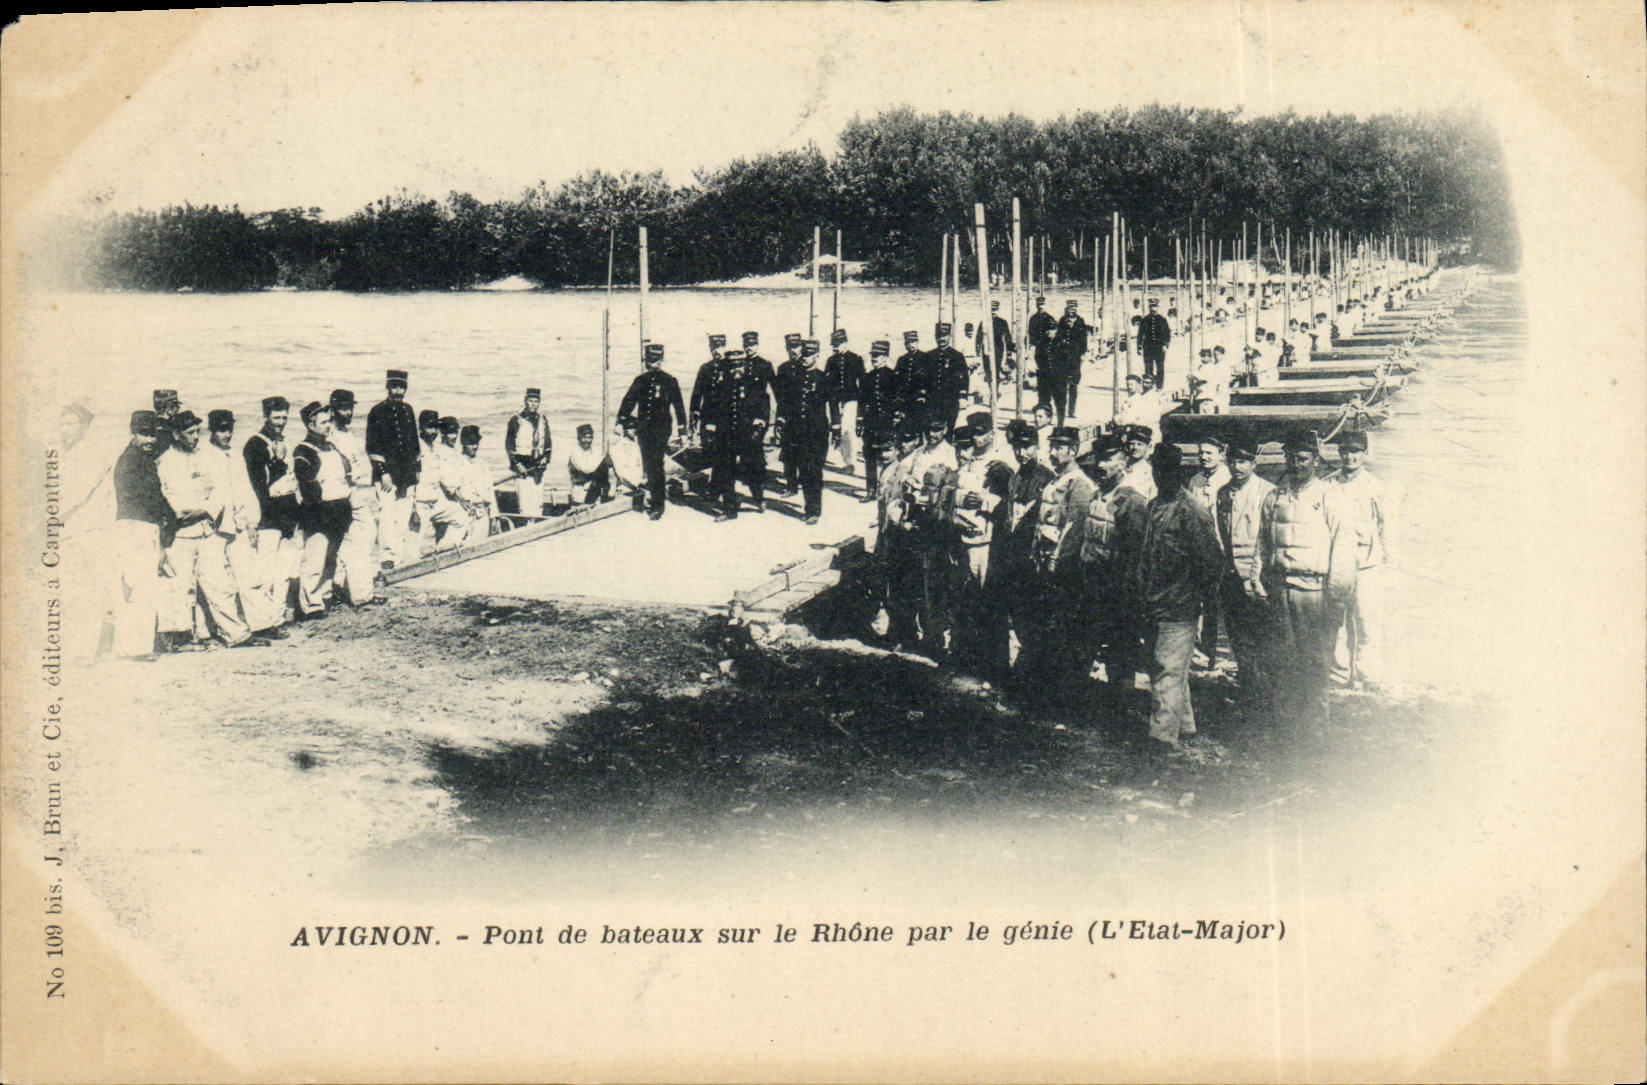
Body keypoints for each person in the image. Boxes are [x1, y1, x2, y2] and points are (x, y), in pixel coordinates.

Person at [1258, 431, 1357, 722]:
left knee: (1315, 659)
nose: (1296, 464)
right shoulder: (1274, 496)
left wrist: (1336, 597)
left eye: (1302, 458)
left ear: (1315, 461)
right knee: (1282, 657)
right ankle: (1285, 721)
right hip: (1280, 587)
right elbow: (1262, 542)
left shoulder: (1330, 496)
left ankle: (1316, 725)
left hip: (1314, 591)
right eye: (1290, 458)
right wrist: (1258, 580)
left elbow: (1343, 548)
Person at [1136, 443, 1223, 749]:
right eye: (1158, 471)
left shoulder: (1192, 511)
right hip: (1154, 602)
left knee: (1168, 671)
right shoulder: (1155, 506)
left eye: (1169, 471)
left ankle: (1161, 737)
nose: (1163, 477)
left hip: (1179, 605)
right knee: (1168, 668)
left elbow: (1212, 563)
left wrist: (1193, 597)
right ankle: (1184, 725)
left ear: (1179, 473)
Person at [156, 409, 264, 650]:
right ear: (176, 434)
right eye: (190, 433)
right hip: (180, 535)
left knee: (218, 583)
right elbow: (167, 498)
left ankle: (235, 634)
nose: (195, 437)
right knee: (181, 585)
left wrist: (204, 509)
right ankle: (179, 637)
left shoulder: (204, 457)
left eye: (197, 432)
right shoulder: (165, 462)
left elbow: (218, 491)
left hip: (205, 530)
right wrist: (187, 511)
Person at [1016, 426, 1097, 704]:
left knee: (1061, 631)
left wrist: (1056, 564)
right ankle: (1040, 690)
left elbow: (1073, 531)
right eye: (1051, 446)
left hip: (1062, 572)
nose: (1051, 452)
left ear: (1072, 451)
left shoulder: (1079, 484)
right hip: (1043, 568)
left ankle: (1061, 695)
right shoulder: (1055, 481)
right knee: (1042, 629)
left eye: (1058, 447)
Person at [1076, 433, 1150, 715]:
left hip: (1117, 589)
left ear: (1123, 461)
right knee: (1088, 642)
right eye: (1099, 459)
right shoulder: (1099, 494)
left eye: (1109, 459)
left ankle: (1122, 708)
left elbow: (1135, 556)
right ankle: (1088, 704)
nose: (1101, 465)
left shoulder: (1132, 501)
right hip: (1092, 582)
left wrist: (1128, 595)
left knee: (1120, 649)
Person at [201, 409, 284, 636]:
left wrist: (251, 523)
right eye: (221, 430)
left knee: (250, 575)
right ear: (211, 430)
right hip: (215, 528)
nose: (226, 435)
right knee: (219, 582)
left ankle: (262, 625)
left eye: (229, 429)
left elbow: (245, 490)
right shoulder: (203, 454)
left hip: (238, 523)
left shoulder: (235, 455)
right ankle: (229, 631)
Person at [993, 418, 1055, 691]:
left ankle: (1032, 678)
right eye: (1017, 447)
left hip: (1033, 561)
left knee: (1033, 621)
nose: (1022, 453)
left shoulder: (1047, 479)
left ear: (1037, 446)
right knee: (1017, 618)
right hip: (1012, 559)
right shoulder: (1015, 478)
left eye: (1027, 447)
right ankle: (1020, 676)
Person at [1329, 430, 1395, 688]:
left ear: (1365, 454)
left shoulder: (1377, 488)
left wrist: (1386, 559)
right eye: (1344, 451)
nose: (1349, 457)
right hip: (1336, 563)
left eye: (1355, 451)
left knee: (1367, 620)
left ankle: (1368, 674)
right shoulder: (1329, 484)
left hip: (1367, 563)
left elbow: (1387, 526)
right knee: (1337, 621)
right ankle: (1339, 673)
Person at [948, 423, 1014, 681]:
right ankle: (968, 659)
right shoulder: (967, 465)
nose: (975, 440)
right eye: (971, 437)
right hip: (965, 539)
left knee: (990, 602)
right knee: (967, 601)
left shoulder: (999, 465)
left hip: (985, 542)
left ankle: (996, 666)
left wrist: (984, 501)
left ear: (990, 435)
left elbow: (1005, 503)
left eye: (980, 433)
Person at [1215, 437, 1277, 709]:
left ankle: (1266, 691)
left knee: (1262, 635)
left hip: (1258, 576)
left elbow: (1268, 539)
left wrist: (1258, 577)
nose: (1236, 466)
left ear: (1254, 462)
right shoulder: (1223, 492)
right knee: (1238, 635)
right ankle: (1249, 685)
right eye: (1233, 461)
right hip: (1231, 575)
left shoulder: (1268, 492)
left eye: (1243, 461)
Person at [111, 411, 173, 660]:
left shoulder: (140, 457)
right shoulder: (131, 462)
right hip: (134, 527)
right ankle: (135, 648)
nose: (151, 440)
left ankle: (134, 645)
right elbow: (148, 500)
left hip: (141, 526)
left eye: (153, 435)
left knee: (139, 586)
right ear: (133, 433)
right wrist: (167, 519)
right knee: (139, 586)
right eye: (145, 434)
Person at [900, 411, 960, 655]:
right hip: (917, 516)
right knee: (915, 576)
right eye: (929, 430)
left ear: (945, 428)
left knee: (934, 579)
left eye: (936, 429)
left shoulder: (949, 453)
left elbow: (947, 490)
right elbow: (906, 472)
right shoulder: (920, 452)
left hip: (936, 523)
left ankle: (935, 636)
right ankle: (919, 633)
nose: (932, 434)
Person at [242, 395, 302, 625]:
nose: (281, 421)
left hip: (286, 515)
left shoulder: (280, 441)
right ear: (265, 416)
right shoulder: (256, 445)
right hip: (269, 517)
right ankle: (266, 619)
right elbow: (258, 487)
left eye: (284, 417)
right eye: (276, 417)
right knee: (266, 571)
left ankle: (278, 617)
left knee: (283, 571)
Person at [292, 401, 354, 616]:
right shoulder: (304, 450)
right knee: (314, 559)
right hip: (319, 513)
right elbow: (308, 486)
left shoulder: (331, 446)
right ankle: (310, 604)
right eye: (324, 422)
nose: (329, 426)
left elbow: (347, 471)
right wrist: (323, 509)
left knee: (331, 557)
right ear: (311, 425)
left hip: (339, 510)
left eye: (329, 421)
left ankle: (325, 596)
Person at [616, 343, 687, 520]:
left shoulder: (669, 380)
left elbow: (679, 407)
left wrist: (682, 430)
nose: (653, 363)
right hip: (644, 430)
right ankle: (656, 497)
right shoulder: (640, 380)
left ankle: (658, 504)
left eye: (656, 360)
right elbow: (628, 402)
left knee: (656, 464)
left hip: (661, 430)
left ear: (662, 360)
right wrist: (621, 421)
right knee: (648, 465)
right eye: (650, 360)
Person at [327, 388, 381, 607]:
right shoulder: (330, 433)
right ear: (333, 409)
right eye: (343, 408)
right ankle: (359, 594)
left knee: (364, 537)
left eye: (350, 408)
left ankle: (345, 587)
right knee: (356, 539)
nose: (348, 412)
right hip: (341, 494)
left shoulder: (347, 433)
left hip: (356, 491)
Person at [874, 423, 924, 648]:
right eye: (880, 450)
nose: (884, 454)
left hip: (898, 537)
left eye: (888, 449)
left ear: (896, 450)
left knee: (900, 587)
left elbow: (905, 505)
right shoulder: (885, 470)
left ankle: (905, 635)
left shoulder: (903, 472)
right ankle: (897, 632)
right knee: (888, 586)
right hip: (885, 533)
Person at [365, 369, 420, 569]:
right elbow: (371, 447)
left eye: (401, 387)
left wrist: (417, 470)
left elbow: (414, 443)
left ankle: (400, 557)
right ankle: (386, 558)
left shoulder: (408, 410)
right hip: (386, 476)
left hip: (406, 474)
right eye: (394, 387)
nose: (398, 391)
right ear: (387, 387)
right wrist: (383, 472)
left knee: (403, 516)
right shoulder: (377, 411)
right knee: (387, 516)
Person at [777, 339, 833, 524]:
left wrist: (837, 427)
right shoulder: (794, 376)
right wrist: (781, 419)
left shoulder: (823, 378)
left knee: (813, 472)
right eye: (804, 355)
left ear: (817, 356)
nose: (805, 359)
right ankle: (808, 507)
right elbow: (784, 400)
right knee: (802, 469)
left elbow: (832, 405)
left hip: (816, 433)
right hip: (797, 432)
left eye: (809, 355)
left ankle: (813, 511)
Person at [412, 409, 464, 551]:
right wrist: (412, 507)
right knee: (413, 543)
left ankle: (442, 551)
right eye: (429, 427)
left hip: (434, 502)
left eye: (435, 427)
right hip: (419, 503)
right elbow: (410, 479)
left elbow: (442, 476)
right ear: (420, 427)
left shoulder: (435, 448)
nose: (433, 431)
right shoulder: (415, 447)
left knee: (460, 517)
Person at [857, 340, 899, 501]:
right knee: (869, 457)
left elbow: (897, 399)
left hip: (886, 423)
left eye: (878, 355)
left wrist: (895, 418)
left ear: (886, 357)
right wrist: (860, 421)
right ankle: (871, 490)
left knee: (886, 456)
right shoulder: (867, 377)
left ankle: (886, 489)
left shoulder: (892, 376)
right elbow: (862, 401)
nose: (874, 358)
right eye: (873, 355)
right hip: (870, 423)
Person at [506, 387, 552, 517]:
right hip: (523, 468)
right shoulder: (516, 420)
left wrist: (545, 459)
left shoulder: (543, 420)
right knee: (525, 505)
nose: (533, 404)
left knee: (537, 504)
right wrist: (517, 465)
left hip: (538, 468)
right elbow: (509, 446)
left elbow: (548, 444)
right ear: (525, 401)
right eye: (530, 401)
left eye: (536, 401)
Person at [824, 328, 864, 475]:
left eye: (839, 343)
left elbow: (862, 383)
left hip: (851, 400)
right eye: (834, 343)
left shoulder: (855, 359)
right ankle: (844, 458)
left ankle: (850, 462)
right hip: (835, 400)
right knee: (837, 429)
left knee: (848, 430)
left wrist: (861, 410)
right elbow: (827, 382)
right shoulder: (831, 361)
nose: (835, 346)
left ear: (845, 343)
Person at [452, 425, 499, 544]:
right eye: (471, 443)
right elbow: (454, 490)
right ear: (463, 443)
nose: (475, 447)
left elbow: (490, 491)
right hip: (466, 514)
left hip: (483, 513)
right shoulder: (457, 463)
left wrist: (494, 516)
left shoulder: (482, 464)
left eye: (476, 443)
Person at [1046, 300, 1090, 425]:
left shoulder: (1080, 321)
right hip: (1063, 357)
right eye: (1069, 309)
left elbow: (1083, 338)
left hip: (1075, 357)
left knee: (1074, 383)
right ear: (1066, 309)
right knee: (1062, 384)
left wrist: (1083, 353)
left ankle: (1071, 410)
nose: (1071, 311)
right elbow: (1057, 337)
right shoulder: (1062, 320)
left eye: (1073, 308)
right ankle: (1062, 408)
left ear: (1076, 309)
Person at [774, 333, 807, 494]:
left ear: (801, 347)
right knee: (788, 453)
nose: (792, 350)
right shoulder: (783, 369)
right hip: (788, 417)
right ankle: (791, 486)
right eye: (789, 347)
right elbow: (780, 397)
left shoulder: (807, 367)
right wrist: (779, 417)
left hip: (804, 418)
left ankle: (804, 482)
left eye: (796, 346)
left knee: (804, 452)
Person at [927, 323, 971, 430]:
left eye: (944, 336)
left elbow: (964, 377)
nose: (941, 339)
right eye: (939, 336)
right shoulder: (929, 355)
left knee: (950, 427)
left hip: (950, 400)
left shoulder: (957, 356)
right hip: (933, 400)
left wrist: (963, 396)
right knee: (935, 428)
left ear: (949, 337)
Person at [690, 334, 728, 441]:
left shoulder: (730, 366)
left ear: (724, 347)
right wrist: (694, 415)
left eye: (719, 347)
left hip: (726, 418)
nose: (715, 351)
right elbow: (696, 395)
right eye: (713, 347)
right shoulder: (705, 368)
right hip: (708, 417)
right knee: (708, 450)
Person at [567, 423, 612, 505]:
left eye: (590, 437)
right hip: (580, 492)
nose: (587, 440)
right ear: (579, 438)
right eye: (584, 437)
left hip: (594, 492)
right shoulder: (575, 453)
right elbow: (587, 469)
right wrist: (603, 459)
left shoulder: (595, 452)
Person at [975, 300, 1015, 385]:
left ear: (998, 310)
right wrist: (978, 349)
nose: (993, 312)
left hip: (998, 348)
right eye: (991, 310)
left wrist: (1009, 350)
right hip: (986, 349)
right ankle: (990, 384)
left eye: (995, 309)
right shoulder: (984, 322)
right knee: (988, 369)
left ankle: (996, 384)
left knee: (996, 367)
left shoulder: (1002, 322)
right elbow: (979, 336)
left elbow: (1007, 336)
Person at [894, 330, 928, 422]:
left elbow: (930, 378)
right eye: (908, 343)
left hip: (920, 398)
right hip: (905, 398)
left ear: (917, 342)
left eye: (913, 342)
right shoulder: (902, 359)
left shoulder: (925, 357)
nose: (910, 345)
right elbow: (896, 380)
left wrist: (925, 394)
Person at [1137, 297, 1172, 387]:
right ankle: (1149, 385)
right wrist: (1139, 347)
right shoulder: (1145, 320)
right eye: (1152, 306)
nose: (1153, 308)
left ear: (1157, 307)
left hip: (1159, 348)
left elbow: (1167, 333)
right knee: (1148, 367)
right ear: (1149, 307)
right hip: (1148, 348)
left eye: (1155, 306)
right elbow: (1140, 334)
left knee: (1160, 367)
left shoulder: (1162, 319)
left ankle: (1159, 386)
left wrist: (1165, 344)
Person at [1027, 296, 1056, 400]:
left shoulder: (1049, 318)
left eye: (1042, 305)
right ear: (1036, 306)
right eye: (1039, 305)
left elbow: (1053, 334)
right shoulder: (1033, 318)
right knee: (1038, 368)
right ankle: (1041, 389)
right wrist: (1030, 347)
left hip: (1047, 347)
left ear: (1045, 305)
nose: (1040, 307)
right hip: (1036, 347)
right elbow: (1030, 333)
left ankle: (1048, 389)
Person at [1120, 424, 1158, 501]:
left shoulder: (1151, 472)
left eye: (1140, 444)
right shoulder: (1119, 468)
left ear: (1148, 447)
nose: (1135, 448)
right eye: (1132, 444)